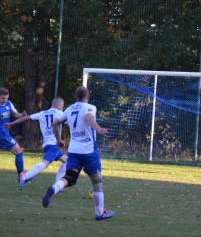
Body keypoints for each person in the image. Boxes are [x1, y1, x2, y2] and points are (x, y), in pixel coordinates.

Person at [42, 86, 115, 221]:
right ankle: (100, 213)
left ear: (75, 97)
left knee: (70, 177)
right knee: (96, 180)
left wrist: (58, 139)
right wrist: (99, 129)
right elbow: (88, 117)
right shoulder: (90, 107)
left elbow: (55, 123)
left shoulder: (69, 109)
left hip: (74, 151)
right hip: (88, 151)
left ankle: (54, 188)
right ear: (88, 97)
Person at [4, 97, 67, 191]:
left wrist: (12, 124)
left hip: (47, 145)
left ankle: (58, 184)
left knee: (68, 161)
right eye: (62, 107)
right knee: (45, 163)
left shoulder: (42, 114)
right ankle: (25, 176)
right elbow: (70, 123)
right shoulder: (60, 113)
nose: (62, 109)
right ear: (58, 106)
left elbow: (25, 118)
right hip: (54, 144)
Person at [0, 87, 27, 181]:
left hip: (5, 134)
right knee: (19, 152)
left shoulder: (8, 104)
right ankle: (21, 175)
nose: (5, 100)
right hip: (2, 135)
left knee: (19, 152)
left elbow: (16, 114)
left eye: (6, 98)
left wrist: (22, 115)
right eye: (3, 98)